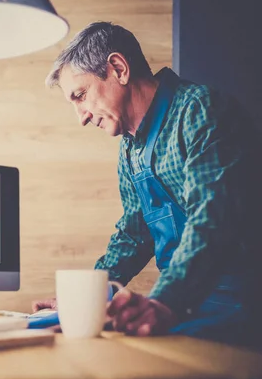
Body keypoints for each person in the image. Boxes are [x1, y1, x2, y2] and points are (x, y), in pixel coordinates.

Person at [33, 21, 262, 349]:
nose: (80, 117)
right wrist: (82, 296)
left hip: (239, 307)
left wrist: (165, 302)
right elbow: (133, 235)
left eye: (80, 96)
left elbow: (212, 220)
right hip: (184, 305)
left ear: (118, 68)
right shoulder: (129, 148)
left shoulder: (202, 110)